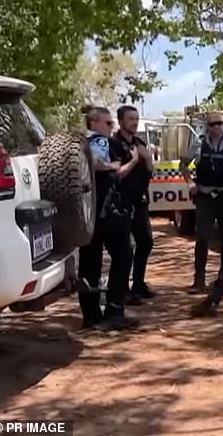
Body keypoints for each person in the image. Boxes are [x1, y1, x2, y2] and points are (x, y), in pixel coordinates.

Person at [78, 107, 141, 330]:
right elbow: (99, 165)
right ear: (93, 122)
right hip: (107, 212)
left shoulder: (79, 143)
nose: (111, 127)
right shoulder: (100, 142)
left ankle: (91, 315)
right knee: (124, 254)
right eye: (108, 123)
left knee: (89, 262)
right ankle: (114, 311)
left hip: (86, 214)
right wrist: (125, 163)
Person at [180, 112, 223, 294]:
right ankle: (198, 280)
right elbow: (183, 164)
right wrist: (190, 183)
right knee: (202, 239)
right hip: (205, 197)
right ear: (206, 126)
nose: (216, 127)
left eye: (219, 123)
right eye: (212, 124)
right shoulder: (199, 144)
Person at [110, 106, 155, 306]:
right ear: (121, 121)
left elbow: (149, 171)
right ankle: (122, 290)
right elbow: (117, 174)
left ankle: (138, 284)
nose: (135, 122)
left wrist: (147, 159)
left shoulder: (139, 143)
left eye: (136, 119)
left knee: (145, 242)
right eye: (130, 119)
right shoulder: (114, 144)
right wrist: (135, 159)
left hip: (140, 200)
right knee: (124, 249)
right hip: (122, 201)